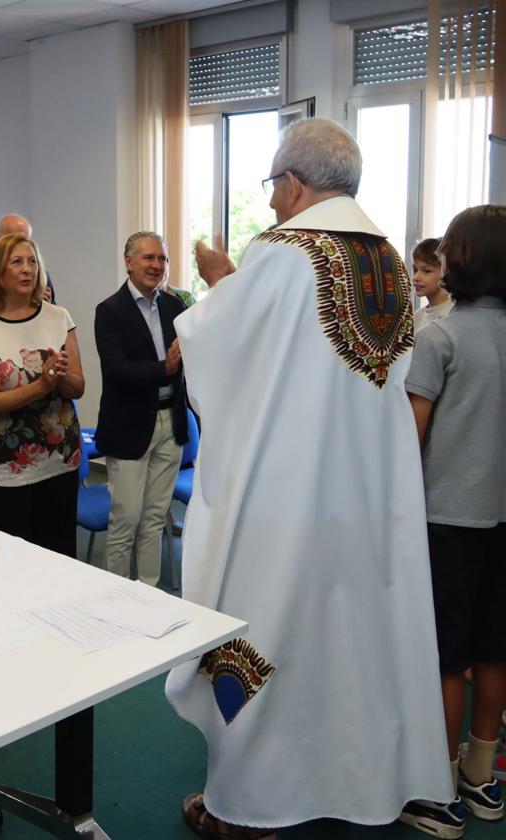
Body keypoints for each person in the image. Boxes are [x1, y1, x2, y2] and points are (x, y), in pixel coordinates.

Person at [167, 118, 450, 839]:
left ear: (293, 184)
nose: (270, 205)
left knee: (268, 634)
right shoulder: (387, 257)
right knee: (349, 642)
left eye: (272, 189)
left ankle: (249, 805)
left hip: (287, 498)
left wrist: (214, 286)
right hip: (367, 498)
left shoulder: (284, 251)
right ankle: (353, 785)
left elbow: (213, 341)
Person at [404, 205, 506, 834]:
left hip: (448, 521)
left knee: (445, 656)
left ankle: (439, 791)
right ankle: (481, 777)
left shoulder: (439, 336)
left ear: (459, 261)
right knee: (494, 652)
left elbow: (408, 438)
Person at [0, 233, 83, 557]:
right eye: (17, 262)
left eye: (32, 261)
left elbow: (78, 387)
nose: (27, 269)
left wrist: (60, 376)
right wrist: (40, 386)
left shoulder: (59, 317)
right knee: (18, 563)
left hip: (60, 459)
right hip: (10, 466)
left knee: (62, 558)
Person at [94, 232, 188, 585]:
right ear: (128, 262)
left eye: (162, 259)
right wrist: (163, 368)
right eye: (148, 258)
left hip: (171, 422)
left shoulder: (174, 306)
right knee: (126, 520)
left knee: (154, 517)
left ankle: (148, 595)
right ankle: (115, 599)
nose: (156, 265)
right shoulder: (110, 311)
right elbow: (115, 370)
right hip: (129, 425)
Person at [413, 237, 452, 333]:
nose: (416, 277)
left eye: (426, 271)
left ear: (445, 271)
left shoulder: (453, 314)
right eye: (415, 270)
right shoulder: (416, 317)